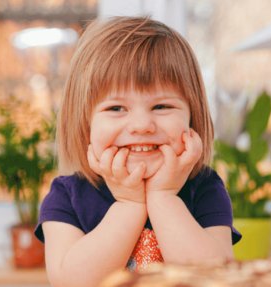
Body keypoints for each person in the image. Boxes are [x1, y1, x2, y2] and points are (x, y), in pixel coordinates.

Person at [34, 16, 241, 287]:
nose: (142, 126)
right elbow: (72, 282)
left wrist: (163, 197)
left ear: (193, 118)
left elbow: (216, 278)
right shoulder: (66, 196)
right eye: (116, 108)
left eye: (162, 106)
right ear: (85, 124)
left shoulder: (204, 188)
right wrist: (129, 205)